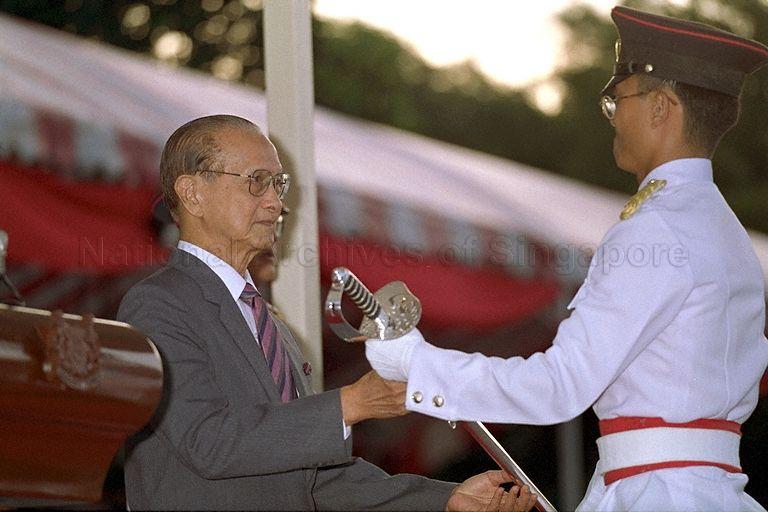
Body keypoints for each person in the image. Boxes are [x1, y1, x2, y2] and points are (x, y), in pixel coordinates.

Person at [366, 6, 768, 511]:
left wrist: (415, 364)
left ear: (661, 107)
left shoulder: (656, 228)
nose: (614, 118)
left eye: (617, 101)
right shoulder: (725, 231)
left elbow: (559, 386)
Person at [117, 114, 537, 511]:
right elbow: (208, 440)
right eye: (257, 182)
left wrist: (445, 499)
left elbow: (312, 479)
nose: (276, 204)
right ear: (193, 193)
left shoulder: (270, 325)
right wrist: (351, 403)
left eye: (278, 185)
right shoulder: (160, 303)